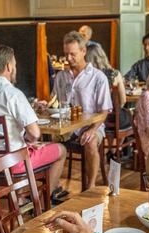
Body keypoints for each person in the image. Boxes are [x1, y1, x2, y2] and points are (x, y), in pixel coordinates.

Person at [0, 45, 68, 204]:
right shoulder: (13, 95)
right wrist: (30, 142)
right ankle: (42, 202)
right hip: (12, 162)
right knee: (61, 150)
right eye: (15, 64)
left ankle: (25, 199)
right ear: (9, 66)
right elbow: (35, 133)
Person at [54, 31, 112, 190]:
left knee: (90, 141)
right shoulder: (61, 76)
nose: (68, 58)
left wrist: (92, 129)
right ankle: (53, 187)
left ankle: (90, 187)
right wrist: (45, 105)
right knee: (43, 143)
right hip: (66, 126)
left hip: (92, 125)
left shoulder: (98, 77)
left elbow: (104, 111)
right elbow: (54, 103)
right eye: (66, 54)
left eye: (73, 54)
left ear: (83, 51)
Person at [84, 43, 130, 130]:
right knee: (131, 117)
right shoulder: (115, 74)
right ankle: (122, 143)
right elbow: (123, 101)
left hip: (92, 120)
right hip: (115, 119)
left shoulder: (85, 77)